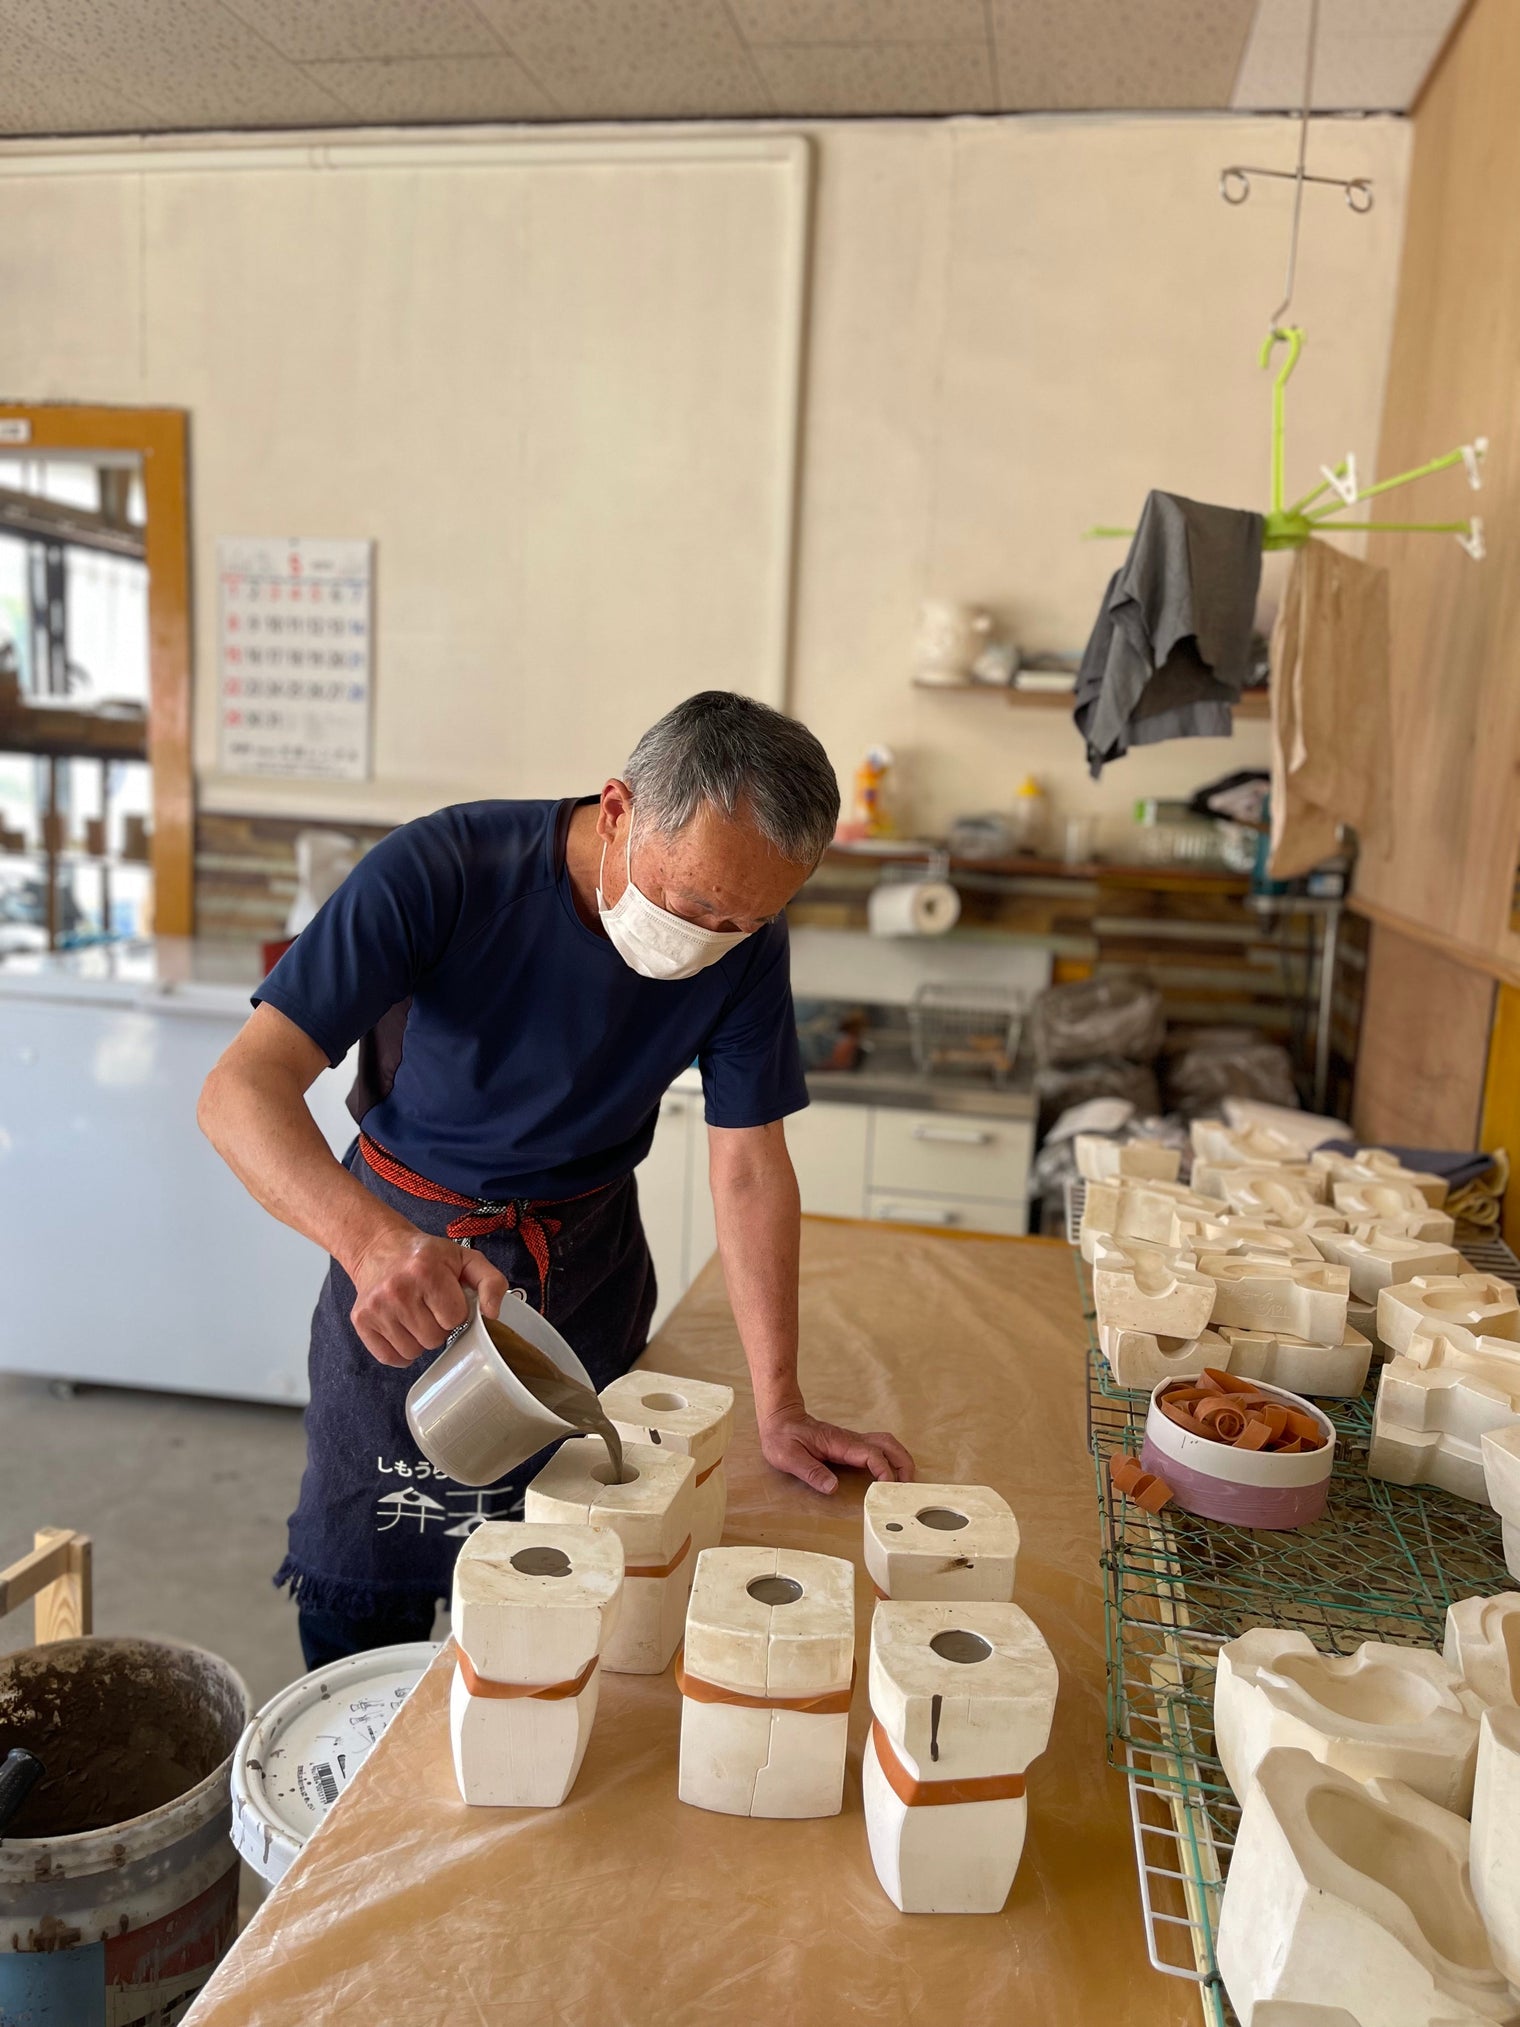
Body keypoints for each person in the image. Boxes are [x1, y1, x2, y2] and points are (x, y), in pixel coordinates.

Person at [199, 691, 914, 1667]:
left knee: (586, 1569)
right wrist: (369, 1243)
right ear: (618, 808)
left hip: (586, 1262)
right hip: (411, 1252)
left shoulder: (744, 942)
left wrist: (778, 1401)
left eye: (745, 918)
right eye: (695, 900)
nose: (710, 934)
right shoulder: (443, 870)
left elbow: (746, 1162)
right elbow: (240, 1088)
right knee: (374, 1565)